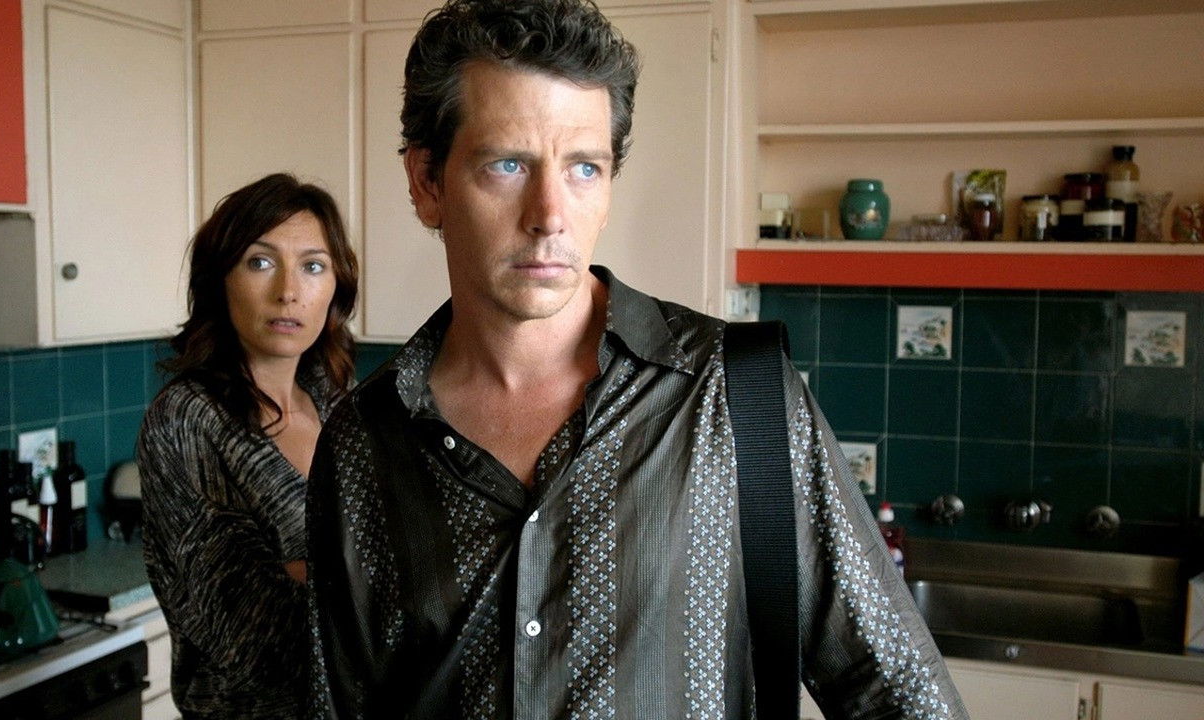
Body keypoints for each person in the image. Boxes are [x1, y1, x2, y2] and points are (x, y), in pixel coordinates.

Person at [306, 1, 969, 718]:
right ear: (427, 181)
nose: (549, 215)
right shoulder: (362, 443)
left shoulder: (735, 395)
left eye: (584, 168)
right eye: (507, 164)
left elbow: (898, 692)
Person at [139, 173, 358, 719]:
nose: (288, 291)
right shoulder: (186, 419)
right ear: (220, 281)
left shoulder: (336, 402)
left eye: (313, 266)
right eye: (260, 262)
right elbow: (253, 635)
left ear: (336, 285)